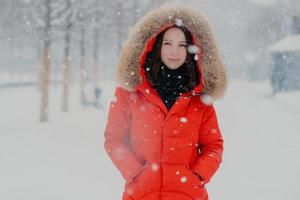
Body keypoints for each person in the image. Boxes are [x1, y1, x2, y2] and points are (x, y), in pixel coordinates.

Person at [104, 5, 227, 200]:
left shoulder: (199, 97)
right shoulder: (130, 92)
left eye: (182, 45)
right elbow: (114, 138)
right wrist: (136, 173)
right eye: (168, 43)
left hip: (188, 195)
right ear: (155, 44)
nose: (174, 52)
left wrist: (197, 176)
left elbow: (213, 146)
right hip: (141, 195)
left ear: (191, 48)